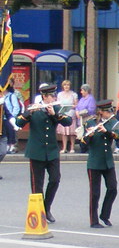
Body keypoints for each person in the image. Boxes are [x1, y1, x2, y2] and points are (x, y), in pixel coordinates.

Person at [17, 83, 73, 222]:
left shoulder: (55, 108)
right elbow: (19, 123)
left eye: (54, 96)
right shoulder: (34, 109)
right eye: (51, 96)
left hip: (52, 151)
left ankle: (46, 208)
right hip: (36, 151)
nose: (54, 98)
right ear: (44, 97)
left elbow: (68, 121)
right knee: (37, 184)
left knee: (55, 179)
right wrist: (29, 112)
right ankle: (39, 212)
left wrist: (55, 114)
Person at [82, 99, 119, 228]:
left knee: (113, 188)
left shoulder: (113, 123)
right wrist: (90, 135)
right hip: (95, 162)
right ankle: (93, 220)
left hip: (108, 161)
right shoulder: (91, 123)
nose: (110, 114)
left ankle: (105, 215)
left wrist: (106, 131)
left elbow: (117, 136)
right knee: (95, 192)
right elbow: (84, 142)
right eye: (107, 112)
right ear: (101, 112)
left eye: (110, 111)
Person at [55, 80, 77, 153]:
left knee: (72, 132)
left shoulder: (73, 94)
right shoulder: (60, 94)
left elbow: (76, 105)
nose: (66, 86)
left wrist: (70, 107)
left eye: (68, 85)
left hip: (71, 113)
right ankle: (64, 148)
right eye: (65, 85)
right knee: (64, 133)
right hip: (63, 113)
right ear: (63, 86)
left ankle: (72, 148)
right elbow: (58, 104)